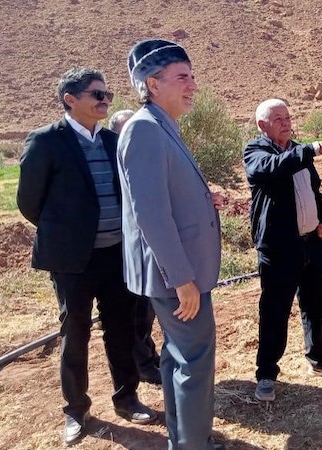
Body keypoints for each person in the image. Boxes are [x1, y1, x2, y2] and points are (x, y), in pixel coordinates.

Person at [17, 68, 156, 446]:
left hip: (115, 256)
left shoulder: (113, 140)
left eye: (107, 94)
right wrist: (70, 233)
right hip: (72, 262)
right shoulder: (46, 142)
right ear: (70, 99)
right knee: (74, 334)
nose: (105, 100)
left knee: (122, 330)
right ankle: (76, 411)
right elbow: (29, 203)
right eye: (96, 94)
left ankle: (127, 399)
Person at [118, 39, 224, 450]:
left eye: (192, 76)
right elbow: (151, 216)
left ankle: (184, 440)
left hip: (177, 272)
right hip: (176, 276)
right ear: (152, 83)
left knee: (178, 357)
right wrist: (182, 280)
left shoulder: (161, 125)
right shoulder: (144, 130)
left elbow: (165, 197)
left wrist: (202, 197)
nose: (192, 85)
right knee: (195, 362)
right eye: (183, 77)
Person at [243, 98, 322, 403]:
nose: (286, 123)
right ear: (263, 125)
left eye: (288, 117)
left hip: (310, 245)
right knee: (275, 312)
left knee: (315, 306)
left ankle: (319, 359)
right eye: (278, 119)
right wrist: (314, 148)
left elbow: (312, 190)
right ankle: (265, 374)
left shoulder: (298, 150)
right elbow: (272, 168)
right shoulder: (256, 152)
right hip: (278, 249)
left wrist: (321, 220)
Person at [106, 108, 162, 386]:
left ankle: (149, 356)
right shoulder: (114, 162)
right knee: (135, 312)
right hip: (120, 247)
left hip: (143, 246)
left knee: (146, 309)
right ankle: (143, 365)